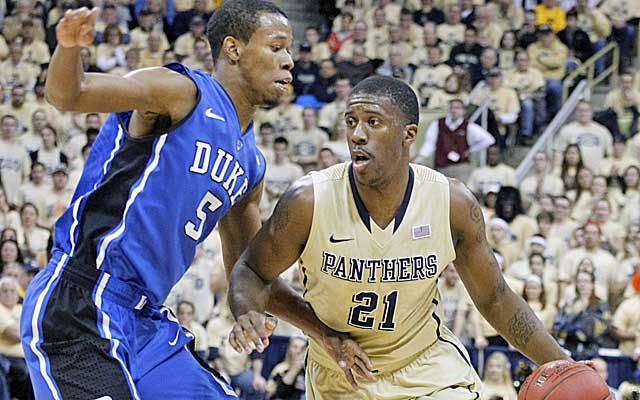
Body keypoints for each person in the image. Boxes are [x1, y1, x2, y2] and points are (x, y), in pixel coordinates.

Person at [19, 2, 365, 399]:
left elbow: (248, 272)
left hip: (146, 318)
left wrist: (323, 332)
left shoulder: (251, 164)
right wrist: (67, 47)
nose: (288, 61)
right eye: (276, 47)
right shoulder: (181, 92)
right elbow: (69, 94)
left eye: (289, 50)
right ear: (233, 49)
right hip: (81, 300)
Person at [228, 76, 576, 399]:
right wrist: (252, 312)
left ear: (409, 134)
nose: (357, 135)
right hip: (343, 377)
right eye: (351, 122)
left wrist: (567, 368)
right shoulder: (308, 200)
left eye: (372, 122)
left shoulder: (451, 203)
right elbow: (251, 272)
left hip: (428, 368)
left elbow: (496, 299)